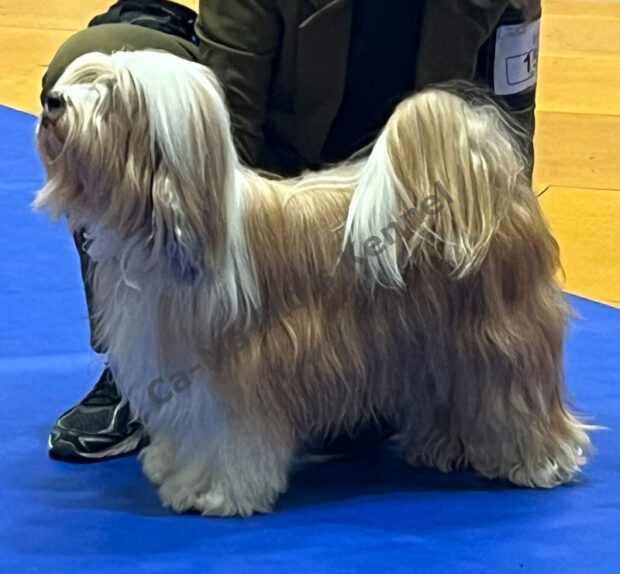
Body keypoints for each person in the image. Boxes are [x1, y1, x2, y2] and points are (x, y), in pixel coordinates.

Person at [42, 0, 541, 462]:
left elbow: (510, 115)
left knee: (360, 421)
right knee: (89, 58)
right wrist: (228, 265)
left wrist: (501, 247)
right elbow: (225, 136)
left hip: (409, 185)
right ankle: (151, 368)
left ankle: (426, 374)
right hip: (276, 171)